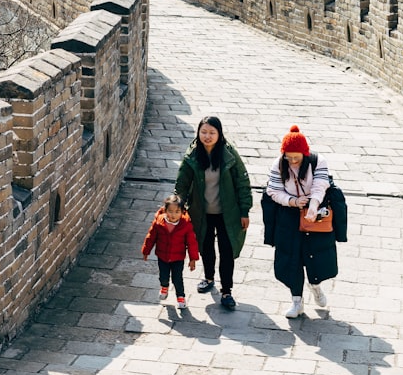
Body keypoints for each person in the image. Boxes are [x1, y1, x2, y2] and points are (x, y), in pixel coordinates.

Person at [174, 115, 252, 311]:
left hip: (228, 213)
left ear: (219, 134)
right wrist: (177, 205)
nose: (207, 136)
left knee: (226, 250)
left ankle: (227, 291)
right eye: (204, 132)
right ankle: (208, 278)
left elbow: (243, 184)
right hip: (202, 212)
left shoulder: (229, 155)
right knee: (205, 246)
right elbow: (182, 184)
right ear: (198, 133)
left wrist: (244, 211)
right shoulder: (192, 155)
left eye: (212, 132)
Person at [264, 124, 339, 318]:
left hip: (315, 210)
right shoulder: (279, 164)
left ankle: (315, 286)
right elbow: (273, 190)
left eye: (296, 157)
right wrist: (292, 201)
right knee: (291, 258)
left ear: (305, 153)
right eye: (288, 157)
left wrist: (312, 206)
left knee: (318, 254)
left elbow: (321, 185)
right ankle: (296, 301)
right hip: (288, 214)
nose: (292, 161)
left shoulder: (317, 161)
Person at [142, 194, 200, 309]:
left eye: (177, 211)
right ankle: (164, 287)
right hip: (162, 256)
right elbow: (151, 237)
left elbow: (192, 243)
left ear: (182, 211)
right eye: (171, 211)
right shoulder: (159, 222)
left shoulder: (186, 225)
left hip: (178, 258)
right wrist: (146, 250)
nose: (173, 215)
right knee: (163, 275)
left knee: (177, 278)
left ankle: (181, 297)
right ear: (165, 210)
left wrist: (193, 259)